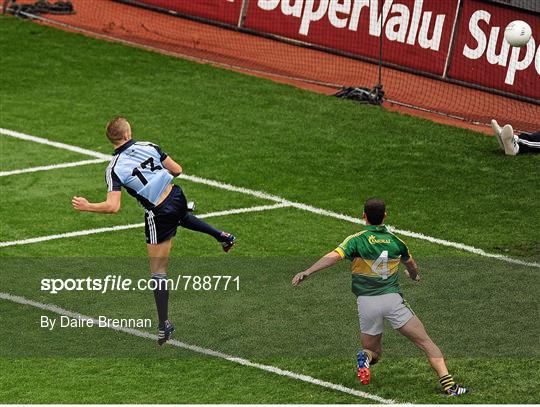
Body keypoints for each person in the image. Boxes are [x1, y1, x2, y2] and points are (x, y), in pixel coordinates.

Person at [72, 117, 236, 345]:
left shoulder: (114, 169)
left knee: (158, 272)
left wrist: (88, 206)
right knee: (181, 216)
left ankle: (164, 324)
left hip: (158, 213)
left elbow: (113, 206)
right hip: (177, 196)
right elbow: (177, 170)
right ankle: (222, 236)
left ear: (113, 140)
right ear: (128, 134)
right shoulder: (148, 146)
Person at [291, 198, 467, 396]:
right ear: (385, 215)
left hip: (366, 303)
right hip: (392, 301)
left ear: (363, 216)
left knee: (373, 352)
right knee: (426, 343)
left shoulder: (356, 239)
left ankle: (364, 356)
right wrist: (414, 276)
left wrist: (308, 271)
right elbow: (412, 265)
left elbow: (334, 256)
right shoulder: (396, 242)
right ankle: (450, 386)